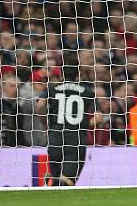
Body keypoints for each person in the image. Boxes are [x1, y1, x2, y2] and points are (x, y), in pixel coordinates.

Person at [36, 54, 94, 186]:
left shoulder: (52, 88)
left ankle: (52, 181)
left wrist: (46, 126)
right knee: (67, 181)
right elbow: (99, 117)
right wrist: (83, 124)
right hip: (75, 140)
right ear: (78, 72)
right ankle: (55, 182)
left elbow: (40, 105)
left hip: (55, 138)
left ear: (61, 72)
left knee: (57, 179)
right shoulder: (87, 91)